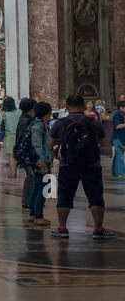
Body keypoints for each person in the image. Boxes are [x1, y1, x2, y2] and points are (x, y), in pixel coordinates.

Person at [50, 94, 115, 238]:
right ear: (84, 106)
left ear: (66, 106)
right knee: (95, 196)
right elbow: (105, 143)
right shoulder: (93, 123)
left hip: (68, 164)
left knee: (65, 196)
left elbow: (50, 144)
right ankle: (98, 229)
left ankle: (62, 228)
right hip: (91, 164)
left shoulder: (60, 123)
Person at [27, 101, 53, 227]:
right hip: (41, 159)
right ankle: (38, 215)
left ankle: (33, 213)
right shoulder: (39, 125)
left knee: (38, 186)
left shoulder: (37, 123)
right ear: (47, 113)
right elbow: (37, 143)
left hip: (40, 158)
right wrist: (41, 159)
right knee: (45, 187)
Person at [14, 98, 38, 216]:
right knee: (31, 176)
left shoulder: (26, 118)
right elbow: (23, 138)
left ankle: (29, 200)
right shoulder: (26, 120)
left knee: (31, 176)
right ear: (31, 108)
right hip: (27, 152)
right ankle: (28, 200)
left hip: (25, 152)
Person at [0, 96, 20, 175]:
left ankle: (12, 172)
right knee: (16, 154)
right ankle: (15, 170)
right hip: (19, 135)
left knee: (11, 155)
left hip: (9, 135)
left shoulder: (4, 113)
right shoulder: (19, 112)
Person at [112, 99, 125, 179]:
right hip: (117, 137)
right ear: (121, 107)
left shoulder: (122, 114)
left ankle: (115, 172)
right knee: (120, 156)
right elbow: (117, 126)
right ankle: (120, 172)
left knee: (117, 156)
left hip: (121, 137)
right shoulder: (118, 114)